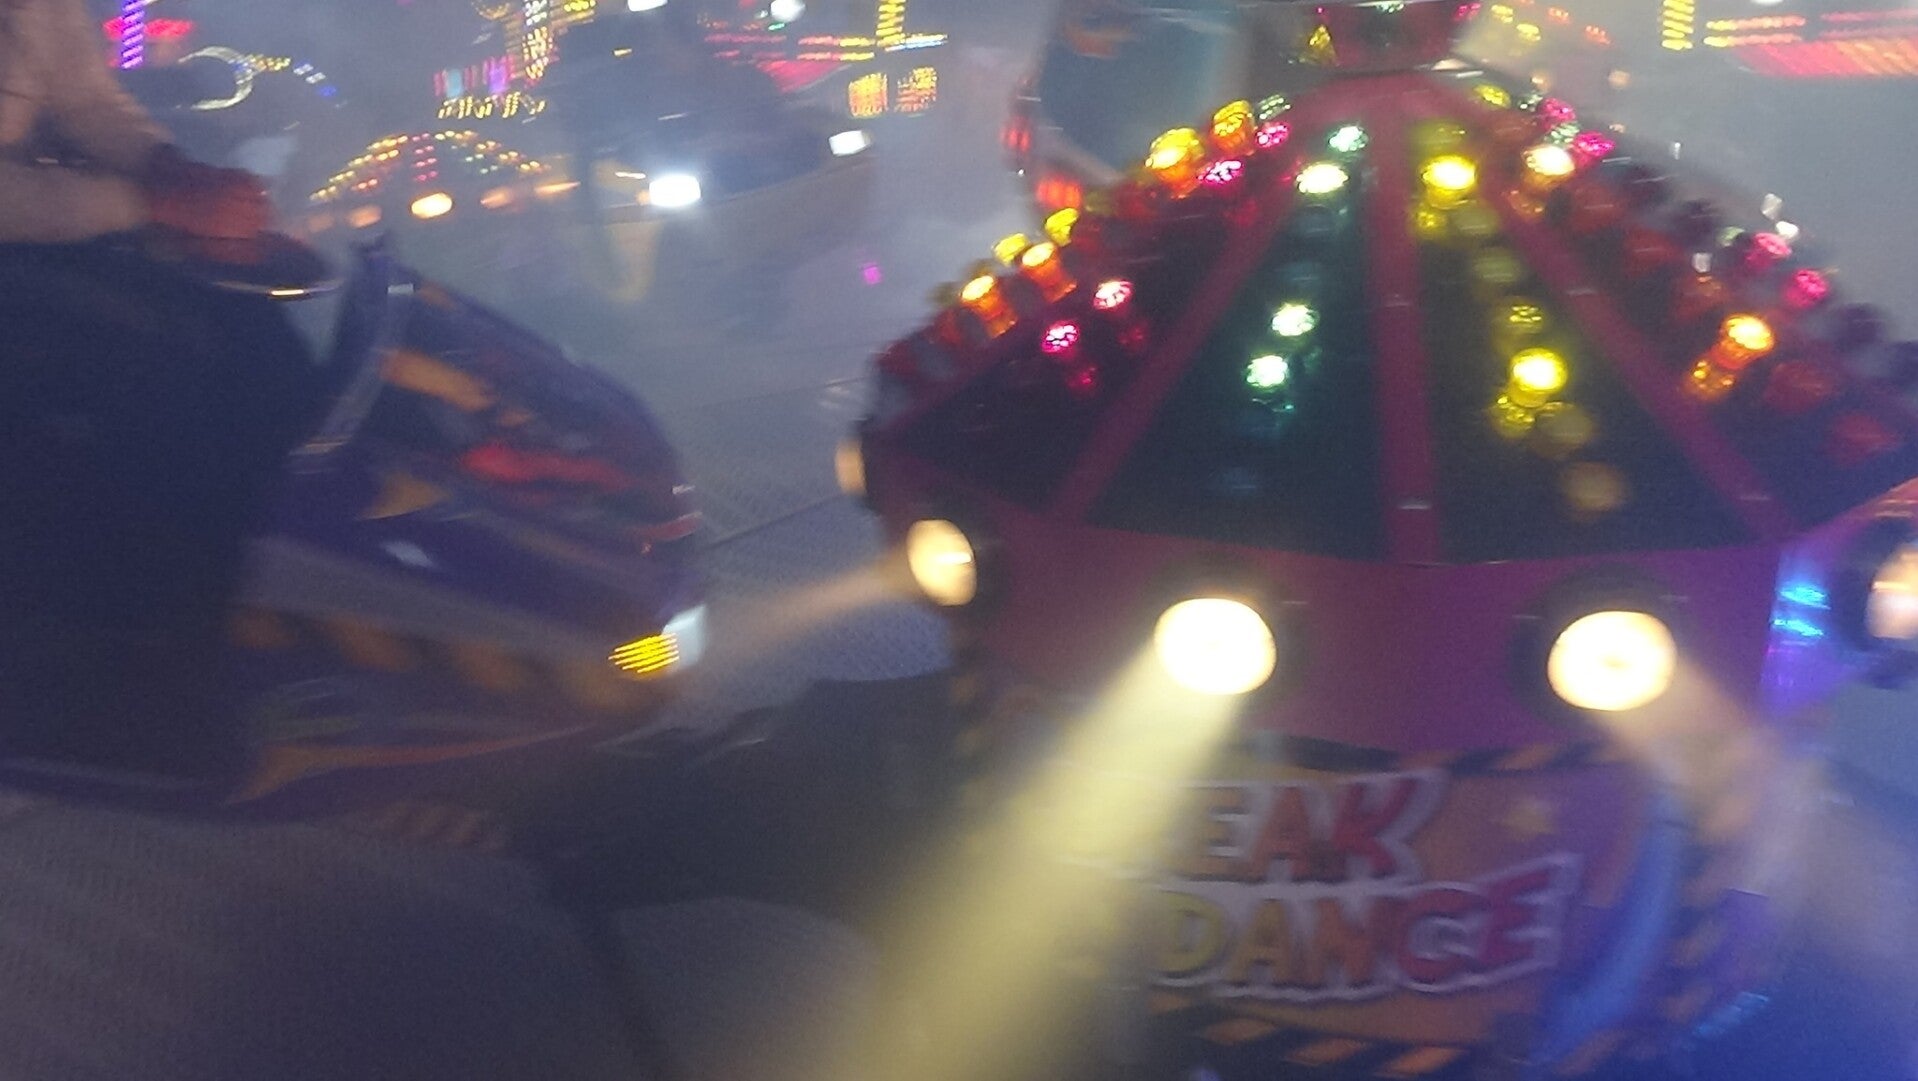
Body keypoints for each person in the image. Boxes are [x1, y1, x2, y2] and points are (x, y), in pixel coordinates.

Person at [0, 0, 316, 793]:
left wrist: (172, 170)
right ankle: (126, 679)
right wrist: (150, 205)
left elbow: (82, 97)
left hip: (40, 225)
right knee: (160, 375)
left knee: (259, 345)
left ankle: (260, 614)